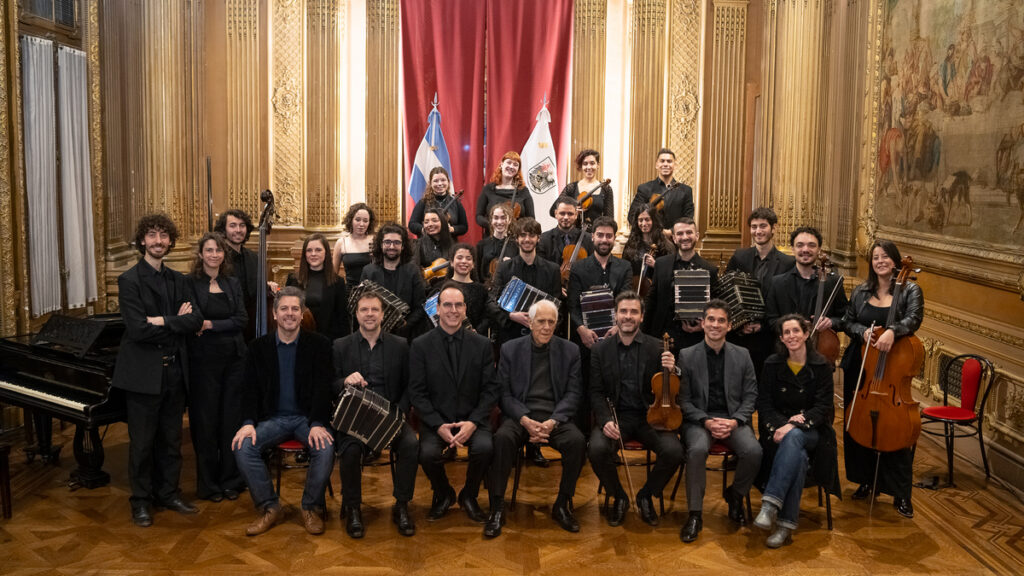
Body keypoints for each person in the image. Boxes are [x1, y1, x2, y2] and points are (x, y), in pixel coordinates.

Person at [113, 213, 203, 527]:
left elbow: (194, 322)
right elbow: (137, 330)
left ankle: (169, 493)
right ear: (142, 241)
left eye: (164, 235)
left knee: (171, 440)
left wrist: (161, 320)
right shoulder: (129, 280)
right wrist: (175, 321)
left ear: (170, 241)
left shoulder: (180, 280)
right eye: (152, 235)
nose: (158, 241)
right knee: (141, 444)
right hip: (143, 376)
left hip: (175, 372)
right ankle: (140, 501)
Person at [231, 287, 335, 536]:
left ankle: (309, 507)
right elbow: (249, 390)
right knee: (242, 446)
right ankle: (269, 506)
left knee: (326, 448)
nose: (290, 313)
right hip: (273, 419)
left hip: (306, 419)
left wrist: (318, 422)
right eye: (284, 309)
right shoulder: (257, 348)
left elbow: (324, 388)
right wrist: (247, 422)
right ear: (275, 314)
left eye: (295, 309)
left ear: (302, 314)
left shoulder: (319, 345)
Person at [485, 300, 586, 537]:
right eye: (541, 321)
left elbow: (574, 393)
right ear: (530, 323)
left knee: (578, 442)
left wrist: (553, 421)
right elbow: (504, 394)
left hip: (555, 417)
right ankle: (497, 506)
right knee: (501, 439)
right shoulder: (510, 349)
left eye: (552, 322)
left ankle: (562, 504)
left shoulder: (570, 350)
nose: (547, 327)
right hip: (521, 415)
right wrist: (524, 419)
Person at [840, 239, 923, 518]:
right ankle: (865, 480)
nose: (880, 261)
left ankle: (900, 493)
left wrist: (893, 330)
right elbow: (847, 321)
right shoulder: (862, 291)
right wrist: (861, 331)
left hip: (893, 367)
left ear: (896, 261)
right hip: (861, 367)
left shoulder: (910, 288)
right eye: (875, 257)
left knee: (896, 431)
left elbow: (914, 319)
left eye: (885, 256)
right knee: (857, 424)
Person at [587, 292, 683, 527]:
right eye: (623, 312)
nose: (628, 317)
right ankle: (618, 495)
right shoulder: (600, 350)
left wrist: (675, 370)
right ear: (616, 315)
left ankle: (646, 495)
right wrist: (605, 420)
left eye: (633, 312)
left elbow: (671, 385)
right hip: (616, 416)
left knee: (674, 451)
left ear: (641, 317)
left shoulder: (658, 347)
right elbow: (596, 392)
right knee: (597, 449)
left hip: (649, 416)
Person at [409, 283, 499, 525]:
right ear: (437, 309)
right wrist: (438, 425)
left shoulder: (481, 345)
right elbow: (417, 393)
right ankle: (444, 493)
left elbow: (491, 390)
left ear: (465, 310)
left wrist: (472, 422)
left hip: (473, 420)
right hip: (437, 421)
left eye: (458, 305)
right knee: (427, 454)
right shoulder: (420, 345)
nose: (453, 310)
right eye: (447, 305)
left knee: (484, 448)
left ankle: (469, 494)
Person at [332, 290, 419, 538]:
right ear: (356, 314)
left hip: (390, 417)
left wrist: (399, 414)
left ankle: (401, 505)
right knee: (348, 451)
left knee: (411, 444)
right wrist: (344, 381)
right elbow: (331, 384)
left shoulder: (401, 346)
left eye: (374, 310)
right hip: (356, 417)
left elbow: (410, 385)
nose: (369, 314)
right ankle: (353, 508)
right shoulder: (340, 346)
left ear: (383, 314)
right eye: (364, 310)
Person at [678, 300, 762, 543]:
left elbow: (751, 395)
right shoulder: (686, 355)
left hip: (732, 419)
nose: (715, 325)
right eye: (711, 320)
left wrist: (735, 421)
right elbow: (683, 401)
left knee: (754, 451)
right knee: (696, 450)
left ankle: (735, 495)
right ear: (703, 323)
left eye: (721, 321)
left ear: (729, 325)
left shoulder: (743, 354)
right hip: (699, 420)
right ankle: (695, 514)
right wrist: (705, 421)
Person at [753, 314, 839, 548]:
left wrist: (794, 424)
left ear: (806, 334)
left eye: (795, 331)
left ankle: (770, 504)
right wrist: (782, 425)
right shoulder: (772, 364)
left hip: (813, 432)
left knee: (795, 437)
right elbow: (765, 403)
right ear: (781, 338)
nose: (791, 336)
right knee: (797, 457)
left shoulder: (821, 365)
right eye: (786, 332)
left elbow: (823, 407)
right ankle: (785, 525)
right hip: (777, 431)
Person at [187, 232, 248, 503]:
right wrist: (207, 323)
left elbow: (242, 319)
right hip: (204, 362)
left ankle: (230, 480)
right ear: (200, 255)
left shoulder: (232, 282)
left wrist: (210, 325)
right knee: (206, 422)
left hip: (234, 359)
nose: (214, 255)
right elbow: (191, 319)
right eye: (209, 250)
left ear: (224, 255)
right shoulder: (190, 283)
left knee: (231, 420)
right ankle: (209, 485)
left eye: (218, 250)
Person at [725, 207, 796, 377]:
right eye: (754, 226)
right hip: (741, 335)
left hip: (770, 337)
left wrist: (763, 325)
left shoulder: (788, 263)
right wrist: (739, 324)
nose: (758, 231)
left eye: (763, 226)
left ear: (774, 228)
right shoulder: (739, 257)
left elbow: (786, 303)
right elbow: (727, 293)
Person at [643, 217, 718, 352]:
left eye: (689, 232)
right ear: (674, 238)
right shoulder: (661, 264)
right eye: (680, 233)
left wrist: (703, 325)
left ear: (697, 236)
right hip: (662, 335)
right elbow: (651, 300)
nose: (685, 237)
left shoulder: (710, 269)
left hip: (694, 337)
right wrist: (644, 334)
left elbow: (714, 306)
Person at [487, 217, 562, 345]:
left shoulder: (553, 269)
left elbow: (556, 306)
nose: (527, 239)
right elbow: (491, 302)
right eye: (522, 235)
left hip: (543, 337)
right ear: (516, 239)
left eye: (532, 235)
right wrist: (511, 316)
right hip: (511, 335)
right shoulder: (504, 268)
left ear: (538, 238)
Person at [763, 226, 848, 335]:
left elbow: (846, 317)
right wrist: (792, 325)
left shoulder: (833, 282)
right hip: (787, 349)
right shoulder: (777, 283)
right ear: (793, 249)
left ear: (819, 249)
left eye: (811, 245)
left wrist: (832, 322)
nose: (805, 250)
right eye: (800, 245)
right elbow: (770, 321)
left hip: (822, 347)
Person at [360, 223, 428, 339]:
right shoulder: (368, 271)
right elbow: (362, 305)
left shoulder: (412, 271)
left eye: (397, 242)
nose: (391, 246)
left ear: (403, 246)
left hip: (405, 336)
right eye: (387, 242)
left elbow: (420, 306)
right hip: (375, 335)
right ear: (381, 245)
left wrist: (406, 325)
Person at [286, 233, 350, 341]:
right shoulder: (294, 280)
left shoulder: (337, 282)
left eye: (318, 250)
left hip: (327, 340)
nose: (313, 254)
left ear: (326, 253)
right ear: (304, 254)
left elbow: (342, 319)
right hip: (298, 339)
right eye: (309, 250)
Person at [214, 209, 259, 339]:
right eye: (232, 225)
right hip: (226, 326)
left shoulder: (254, 258)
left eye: (242, 225)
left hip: (250, 324)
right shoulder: (217, 258)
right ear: (223, 230)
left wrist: (266, 285)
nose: (238, 230)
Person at [628, 148, 694, 232]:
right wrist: (655, 231)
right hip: (650, 240)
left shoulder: (686, 191)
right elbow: (632, 216)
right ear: (656, 165)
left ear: (675, 165)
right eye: (662, 161)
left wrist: (671, 232)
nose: (665, 164)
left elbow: (688, 219)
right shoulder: (644, 189)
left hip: (675, 240)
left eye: (669, 161)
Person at [547, 148, 614, 227]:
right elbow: (553, 211)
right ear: (581, 166)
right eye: (585, 164)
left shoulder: (606, 189)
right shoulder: (571, 188)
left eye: (592, 163)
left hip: (596, 235)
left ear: (598, 165)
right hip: (574, 234)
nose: (588, 167)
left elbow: (609, 218)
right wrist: (571, 212)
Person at [475, 151, 534, 233]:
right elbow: (479, 216)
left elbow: (531, 218)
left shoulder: (523, 191)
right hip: (492, 237)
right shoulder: (488, 189)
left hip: (516, 237)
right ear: (502, 164)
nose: (511, 166)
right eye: (509, 162)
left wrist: (517, 227)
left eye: (515, 165)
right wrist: (494, 225)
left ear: (518, 170)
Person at [409, 166, 469, 240]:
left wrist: (452, 229)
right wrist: (425, 229)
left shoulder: (456, 203)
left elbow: (464, 227)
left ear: (448, 182)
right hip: (427, 245)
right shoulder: (423, 202)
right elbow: (412, 224)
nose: (440, 183)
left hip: (449, 245)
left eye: (443, 180)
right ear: (430, 183)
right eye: (436, 181)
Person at [621, 205, 674, 282]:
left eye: (647, 219)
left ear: (654, 220)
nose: (644, 223)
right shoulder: (631, 245)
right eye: (640, 220)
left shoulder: (666, 246)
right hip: (635, 289)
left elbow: (670, 273)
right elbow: (624, 269)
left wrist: (656, 265)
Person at [447, 243, 492, 334]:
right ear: (451, 262)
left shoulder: (481, 290)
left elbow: (487, 317)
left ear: (473, 264)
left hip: (474, 340)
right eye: (459, 258)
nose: (464, 261)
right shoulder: (441, 288)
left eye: (468, 258)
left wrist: (477, 331)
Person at [538, 196, 595, 268]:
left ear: (576, 215)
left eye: (570, 214)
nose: (566, 217)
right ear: (556, 214)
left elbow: (592, 267)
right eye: (562, 213)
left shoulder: (588, 238)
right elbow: (541, 267)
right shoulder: (544, 239)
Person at [332, 203, 376, 285]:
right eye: (358, 220)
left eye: (365, 221)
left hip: (372, 292)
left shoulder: (374, 241)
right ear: (351, 220)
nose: (361, 224)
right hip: (350, 293)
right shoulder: (342, 242)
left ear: (369, 223)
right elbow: (333, 275)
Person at [414, 207, 455, 293]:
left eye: (434, 220)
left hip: (448, 288)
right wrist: (426, 287)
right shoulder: (418, 244)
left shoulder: (452, 244)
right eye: (426, 222)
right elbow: (414, 269)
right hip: (426, 289)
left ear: (443, 222)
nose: (430, 224)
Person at [475, 202, 516, 284]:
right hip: (486, 289)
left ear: (510, 220)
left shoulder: (516, 245)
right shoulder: (481, 245)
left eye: (503, 218)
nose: (499, 222)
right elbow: (476, 272)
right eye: (496, 218)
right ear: (491, 220)